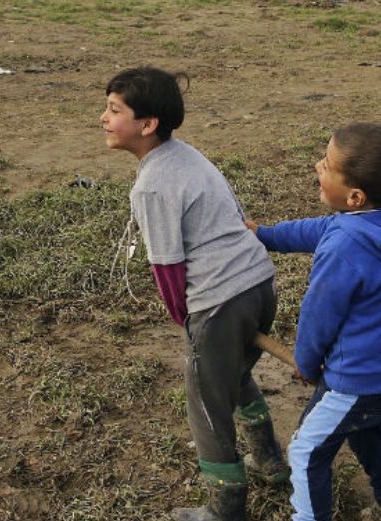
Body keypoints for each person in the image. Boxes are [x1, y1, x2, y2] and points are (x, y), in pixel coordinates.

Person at [100, 67, 289, 521]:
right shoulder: (187, 155)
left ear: (147, 125)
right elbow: (237, 214)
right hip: (258, 283)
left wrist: (184, 318)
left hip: (218, 302)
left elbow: (166, 265)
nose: (103, 118)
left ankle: (225, 508)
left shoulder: (152, 185)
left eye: (113, 110)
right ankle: (269, 460)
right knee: (233, 371)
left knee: (206, 401)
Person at [246, 123, 381, 521]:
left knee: (306, 450)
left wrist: (305, 362)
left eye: (326, 165)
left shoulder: (345, 246)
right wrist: (268, 235)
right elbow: (320, 228)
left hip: (355, 379)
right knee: (365, 433)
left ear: (354, 196)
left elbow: (319, 314)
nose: (317, 166)